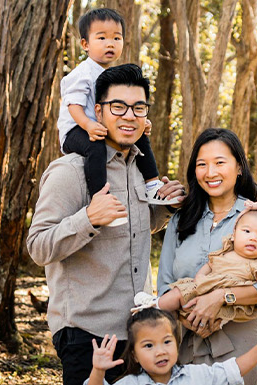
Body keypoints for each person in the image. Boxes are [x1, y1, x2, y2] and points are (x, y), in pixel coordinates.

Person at [27, 63, 185, 385]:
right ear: (98, 111)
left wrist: (166, 209)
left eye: (139, 107)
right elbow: (38, 246)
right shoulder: (70, 172)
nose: (129, 116)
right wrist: (87, 218)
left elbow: (136, 229)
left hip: (140, 331)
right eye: (118, 107)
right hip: (87, 337)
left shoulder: (139, 171)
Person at [157, 128, 257, 385]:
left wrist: (220, 298)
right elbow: (164, 283)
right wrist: (188, 316)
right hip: (183, 342)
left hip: (237, 346)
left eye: (220, 162)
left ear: (238, 167)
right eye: (201, 164)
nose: (210, 172)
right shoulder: (181, 220)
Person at [57, 9, 173, 227]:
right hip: (75, 129)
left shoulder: (112, 75)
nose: (110, 43)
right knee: (97, 147)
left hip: (97, 125)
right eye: (101, 38)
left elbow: (122, 108)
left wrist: (140, 120)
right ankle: (101, 198)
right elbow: (73, 106)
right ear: (85, 44)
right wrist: (88, 125)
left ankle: (152, 184)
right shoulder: (81, 74)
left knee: (140, 139)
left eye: (116, 38)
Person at [80, 308, 257, 385]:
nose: (160, 351)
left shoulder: (197, 377)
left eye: (167, 342)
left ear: (177, 343)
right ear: (135, 354)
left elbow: (233, 370)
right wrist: (98, 370)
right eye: (148, 346)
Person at [155, 207, 257, 339]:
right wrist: (199, 278)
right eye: (247, 231)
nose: (253, 238)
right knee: (179, 293)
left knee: (217, 316)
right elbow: (209, 265)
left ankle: (157, 310)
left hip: (228, 311)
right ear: (233, 235)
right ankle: (153, 307)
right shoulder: (225, 253)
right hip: (202, 290)